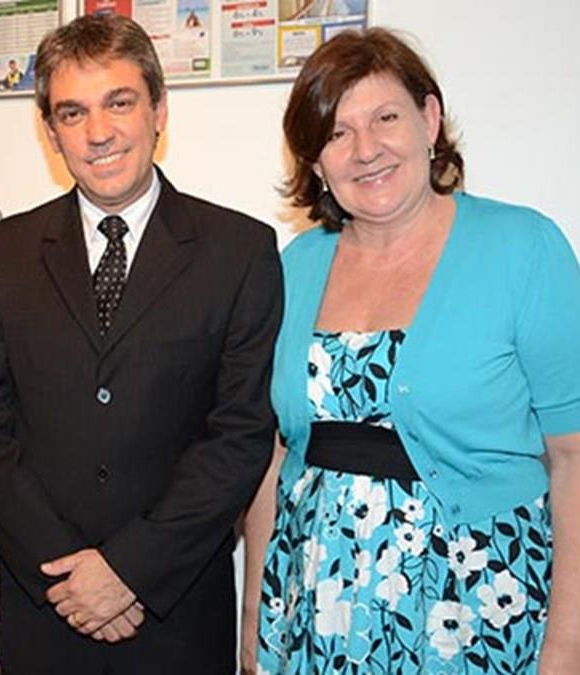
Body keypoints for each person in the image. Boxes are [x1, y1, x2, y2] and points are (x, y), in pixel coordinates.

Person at [0, 14, 282, 674]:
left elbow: (240, 434)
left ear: (159, 110)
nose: (97, 132)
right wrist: (67, 574)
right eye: (72, 113)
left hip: (176, 611)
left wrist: (131, 569)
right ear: (50, 132)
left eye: (119, 103)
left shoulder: (240, 251)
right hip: (47, 607)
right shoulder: (1, 253)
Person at [241, 27, 580, 674]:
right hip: (314, 615)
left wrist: (567, 648)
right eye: (337, 133)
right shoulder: (293, 268)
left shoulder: (523, 249)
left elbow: (574, 456)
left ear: (430, 119)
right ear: (316, 162)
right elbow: (274, 455)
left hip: (478, 615)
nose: (365, 149)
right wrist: (257, 613)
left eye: (386, 118)